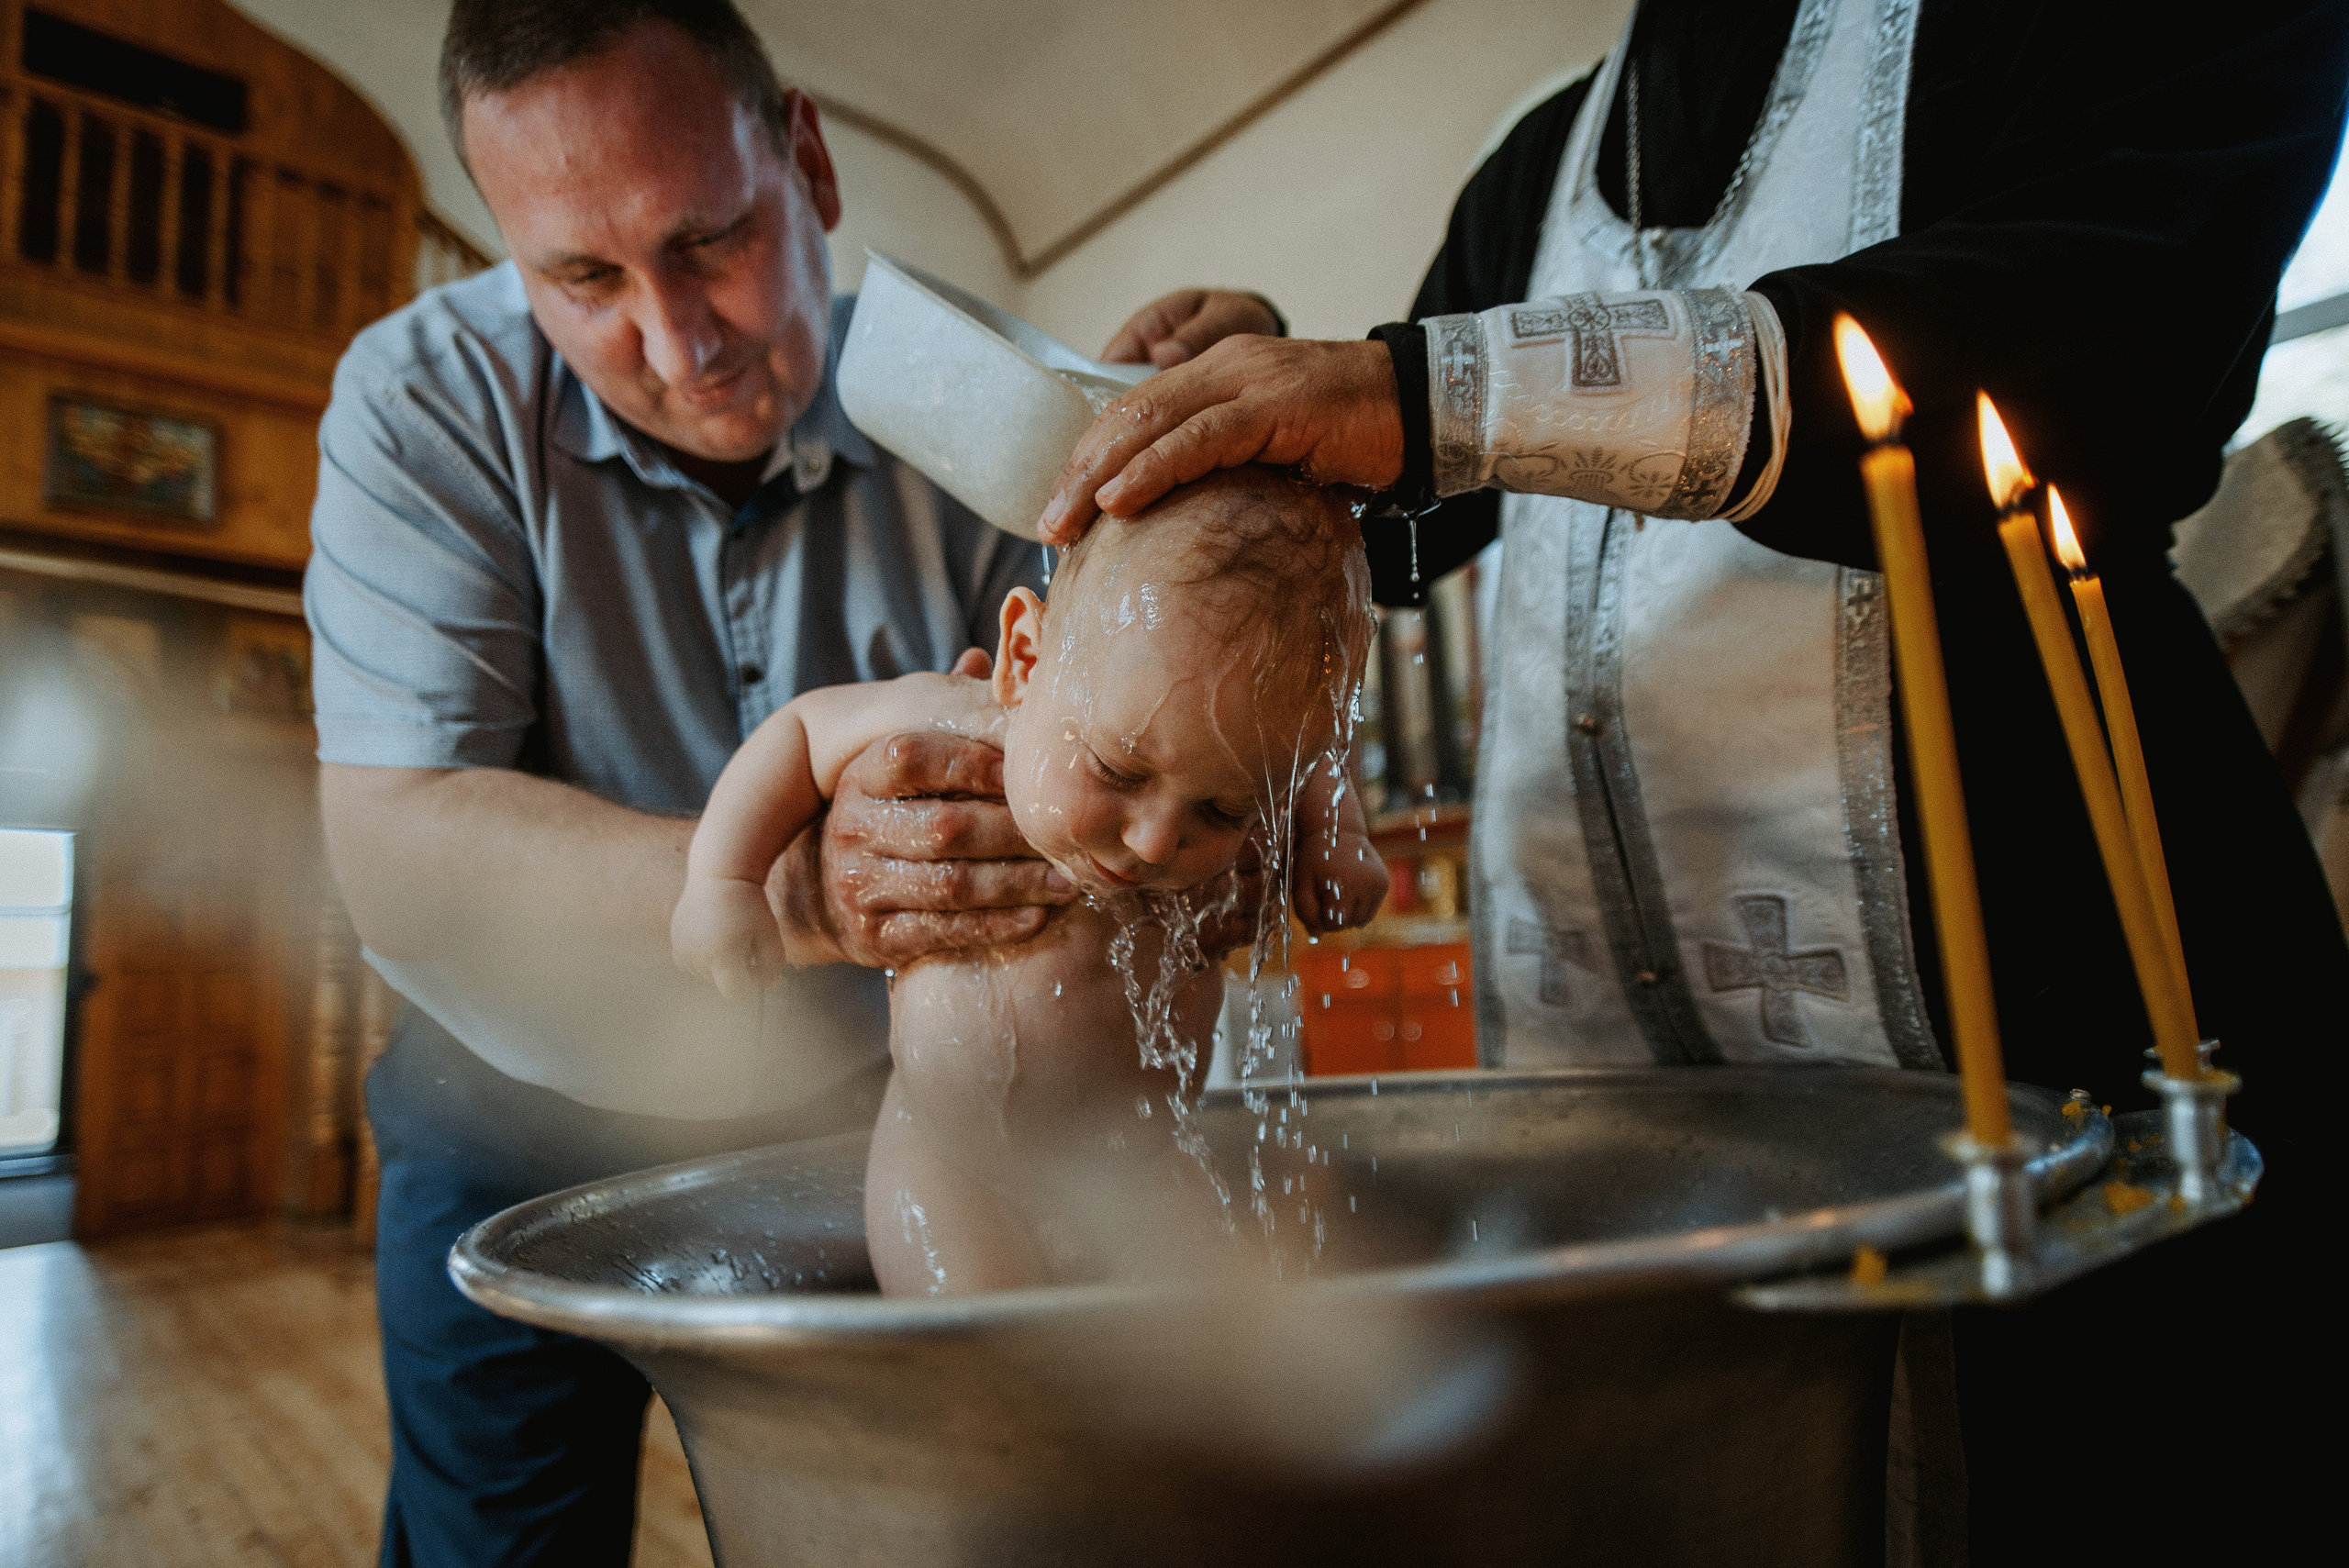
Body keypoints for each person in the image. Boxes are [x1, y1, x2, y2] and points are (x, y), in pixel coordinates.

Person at [1047, 0, 2349, 1558]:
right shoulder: (1541, 164)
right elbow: (1403, 506)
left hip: (2054, 1025)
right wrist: (1267, 423)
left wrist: (1440, 391)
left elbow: (2118, 331)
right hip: (1626, 1137)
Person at [304, 3, 1289, 1561]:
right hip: (511, 1106)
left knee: (913, 1532)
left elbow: (1163, 721)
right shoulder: (419, 402)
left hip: (876, 1118)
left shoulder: (990, 399)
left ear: (810, 163)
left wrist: (1248, 449)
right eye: (583, 279)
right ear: (505, 252)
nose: (679, 340)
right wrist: (801, 888)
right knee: (500, 1542)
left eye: (710, 240)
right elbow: (398, 847)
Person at [673, 468, 1381, 1293]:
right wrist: (724, 879)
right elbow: (796, 733)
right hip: (955, 1164)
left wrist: (1338, 836)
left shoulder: (1234, 756)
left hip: (1146, 1166)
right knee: (990, 1366)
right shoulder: (956, 716)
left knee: (1195, 1358)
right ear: (1024, 657)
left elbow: (1311, 759)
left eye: (1224, 809)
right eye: (1118, 769)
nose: (1155, 837)